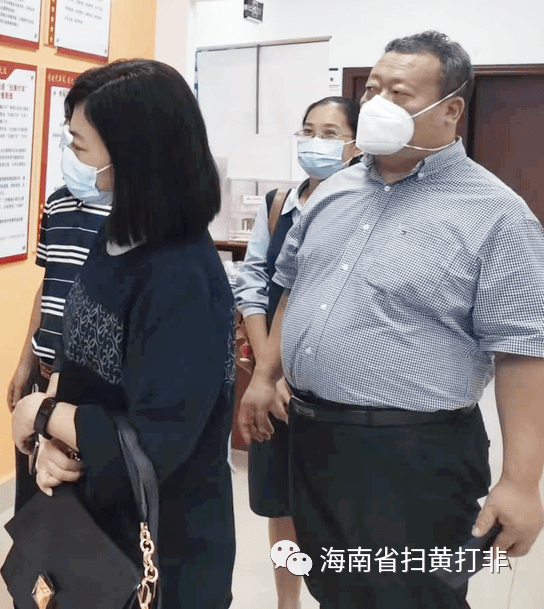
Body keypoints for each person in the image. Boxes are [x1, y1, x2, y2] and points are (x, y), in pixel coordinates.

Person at [244, 31, 544, 608]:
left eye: (399, 93)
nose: (377, 104)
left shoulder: (496, 213)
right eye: (372, 90)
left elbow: (523, 350)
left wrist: (520, 482)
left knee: (413, 596)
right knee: (336, 586)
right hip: (315, 436)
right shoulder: (334, 190)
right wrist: (265, 375)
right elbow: (295, 288)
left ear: (451, 110)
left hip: (414, 454)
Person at [11, 59, 235, 608]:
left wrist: (40, 413)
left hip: (161, 541)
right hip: (90, 517)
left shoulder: (181, 275)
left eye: (79, 143)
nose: (70, 154)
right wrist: (50, 443)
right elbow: (75, 354)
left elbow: (158, 441)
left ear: (133, 155)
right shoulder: (116, 234)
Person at [6, 59, 157, 519]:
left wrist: (55, 400)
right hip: (45, 373)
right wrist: (26, 362)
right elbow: (48, 286)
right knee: (33, 502)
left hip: (89, 387)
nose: (69, 152)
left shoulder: (139, 224)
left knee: (76, 512)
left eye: (78, 142)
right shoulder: (58, 203)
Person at [233, 96, 360, 609]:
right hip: (273, 385)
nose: (315, 142)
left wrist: (292, 374)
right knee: (280, 503)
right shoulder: (278, 203)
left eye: (330, 133)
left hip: (333, 387)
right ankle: (288, 602)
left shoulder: (364, 206)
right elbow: (254, 282)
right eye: (308, 131)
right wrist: (269, 372)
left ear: (355, 144)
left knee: (336, 505)